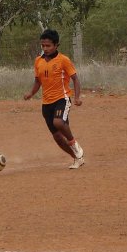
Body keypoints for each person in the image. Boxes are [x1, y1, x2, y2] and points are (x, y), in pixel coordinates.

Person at [23, 29, 85, 169]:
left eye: (48, 46)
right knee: (57, 137)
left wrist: (77, 97)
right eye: (43, 46)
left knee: (58, 122)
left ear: (56, 45)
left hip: (62, 98)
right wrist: (31, 94)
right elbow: (38, 81)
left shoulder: (63, 60)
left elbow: (75, 79)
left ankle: (74, 144)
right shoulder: (38, 61)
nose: (45, 48)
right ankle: (76, 158)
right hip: (46, 103)